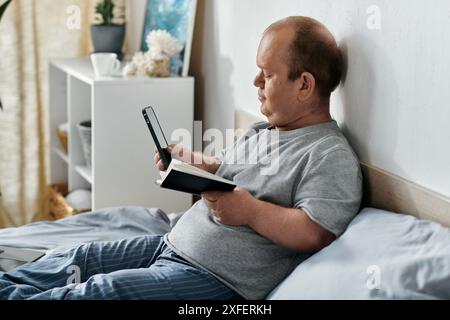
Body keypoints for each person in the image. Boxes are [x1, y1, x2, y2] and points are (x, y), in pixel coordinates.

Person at [0, 16, 362, 300]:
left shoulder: (328, 154)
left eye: (266, 75)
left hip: (215, 279)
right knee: (77, 261)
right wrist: (197, 165)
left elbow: (316, 232)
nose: (255, 82)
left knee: (96, 293)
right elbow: (231, 174)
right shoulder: (264, 129)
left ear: (304, 85)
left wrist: (250, 211)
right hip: (171, 242)